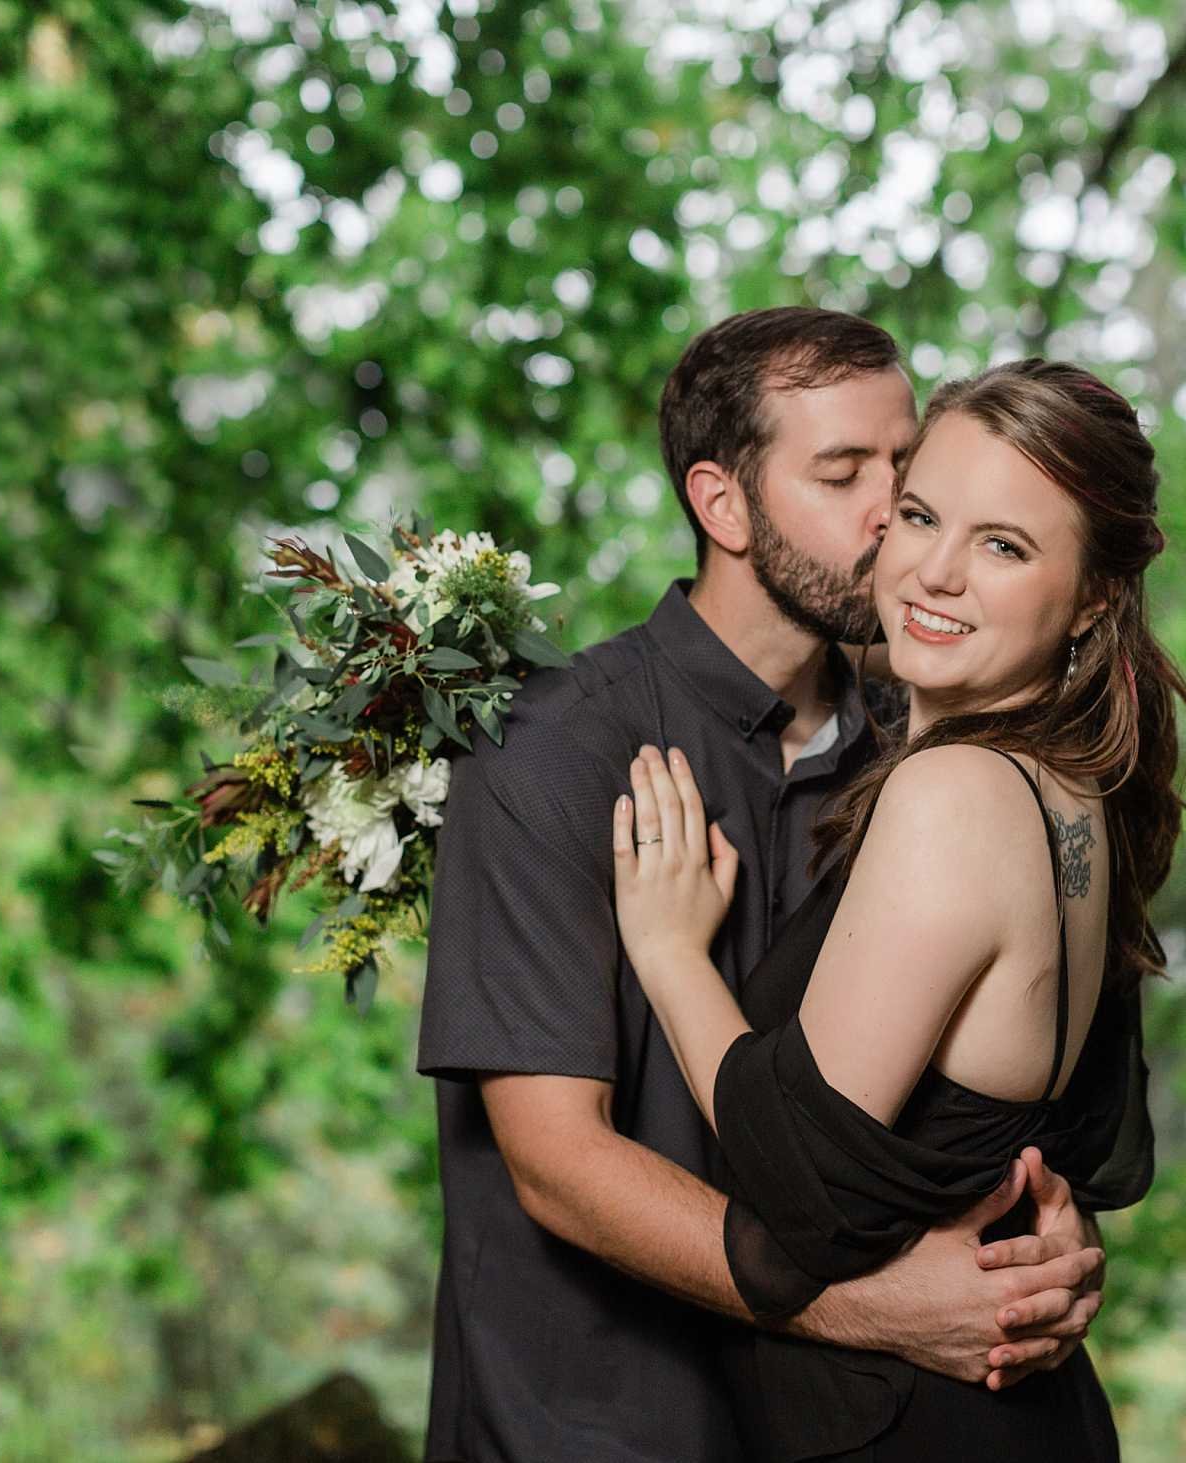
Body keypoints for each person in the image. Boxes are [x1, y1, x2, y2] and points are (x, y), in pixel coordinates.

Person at [416, 312, 1120, 1462]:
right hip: (597, 1424)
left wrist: (1040, 1242)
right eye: (842, 474)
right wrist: (879, 1302)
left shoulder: (935, 748)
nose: (890, 512)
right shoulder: (548, 754)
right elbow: (557, 1165)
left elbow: (1005, 1078)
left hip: (849, 1424)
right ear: (721, 504)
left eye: (907, 467)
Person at [609, 358, 1186, 1459]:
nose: (935, 570)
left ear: (1094, 595)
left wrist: (670, 949)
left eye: (1004, 545)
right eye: (920, 515)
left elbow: (803, 1194)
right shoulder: (1075, 790)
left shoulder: (950, 794)